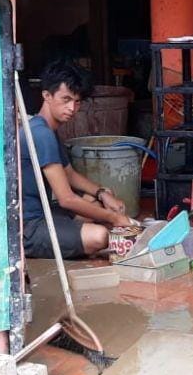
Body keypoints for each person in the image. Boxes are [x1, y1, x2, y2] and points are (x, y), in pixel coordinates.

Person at [21, 60, 137, 258]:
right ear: (46, 96)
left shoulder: (45, 129)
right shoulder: (41, 134)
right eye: (65, 99)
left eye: (77, 102)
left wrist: (102, 193)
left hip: (45, 212)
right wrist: (114, 218)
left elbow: (69, 174)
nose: (71, 108)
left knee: (97, 201)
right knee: (100, 236)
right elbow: (66, 199)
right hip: (27, 227)